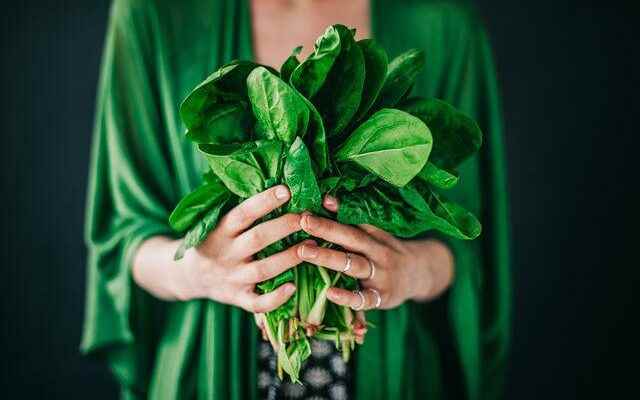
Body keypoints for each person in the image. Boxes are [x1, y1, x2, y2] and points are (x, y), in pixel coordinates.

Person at [81, 0, 510, 399]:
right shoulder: (153, 13)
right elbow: (123, 238)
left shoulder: (442, 24)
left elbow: (470, 243)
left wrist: (412, 271)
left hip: (393, 372)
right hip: (208, 372)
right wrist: (201, 270)